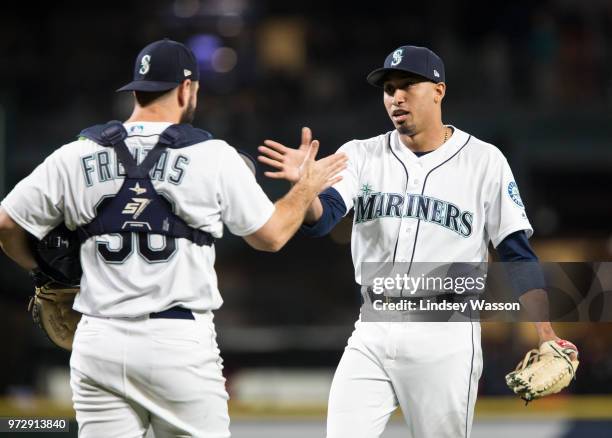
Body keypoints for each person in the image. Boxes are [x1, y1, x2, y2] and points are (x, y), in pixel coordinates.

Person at [0, 38, 346, 437]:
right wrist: (306, 186)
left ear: (136, 91)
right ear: (187, 89)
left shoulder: (75, 153)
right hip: (177, 342)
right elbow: (271, 236)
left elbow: (8, 224)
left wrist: (45, 273)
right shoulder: (214, 155)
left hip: (99, 339)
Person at [257, 45, 576, 438]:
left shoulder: (484, 161)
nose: (397, 97)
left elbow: (516, 253)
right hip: (372, 327)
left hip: (446, 333)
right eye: (389, 88)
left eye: (408, 85)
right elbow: (324, 219)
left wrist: (544, 333)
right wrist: (305, 190)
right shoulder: (360, 155)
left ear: (439, 91)